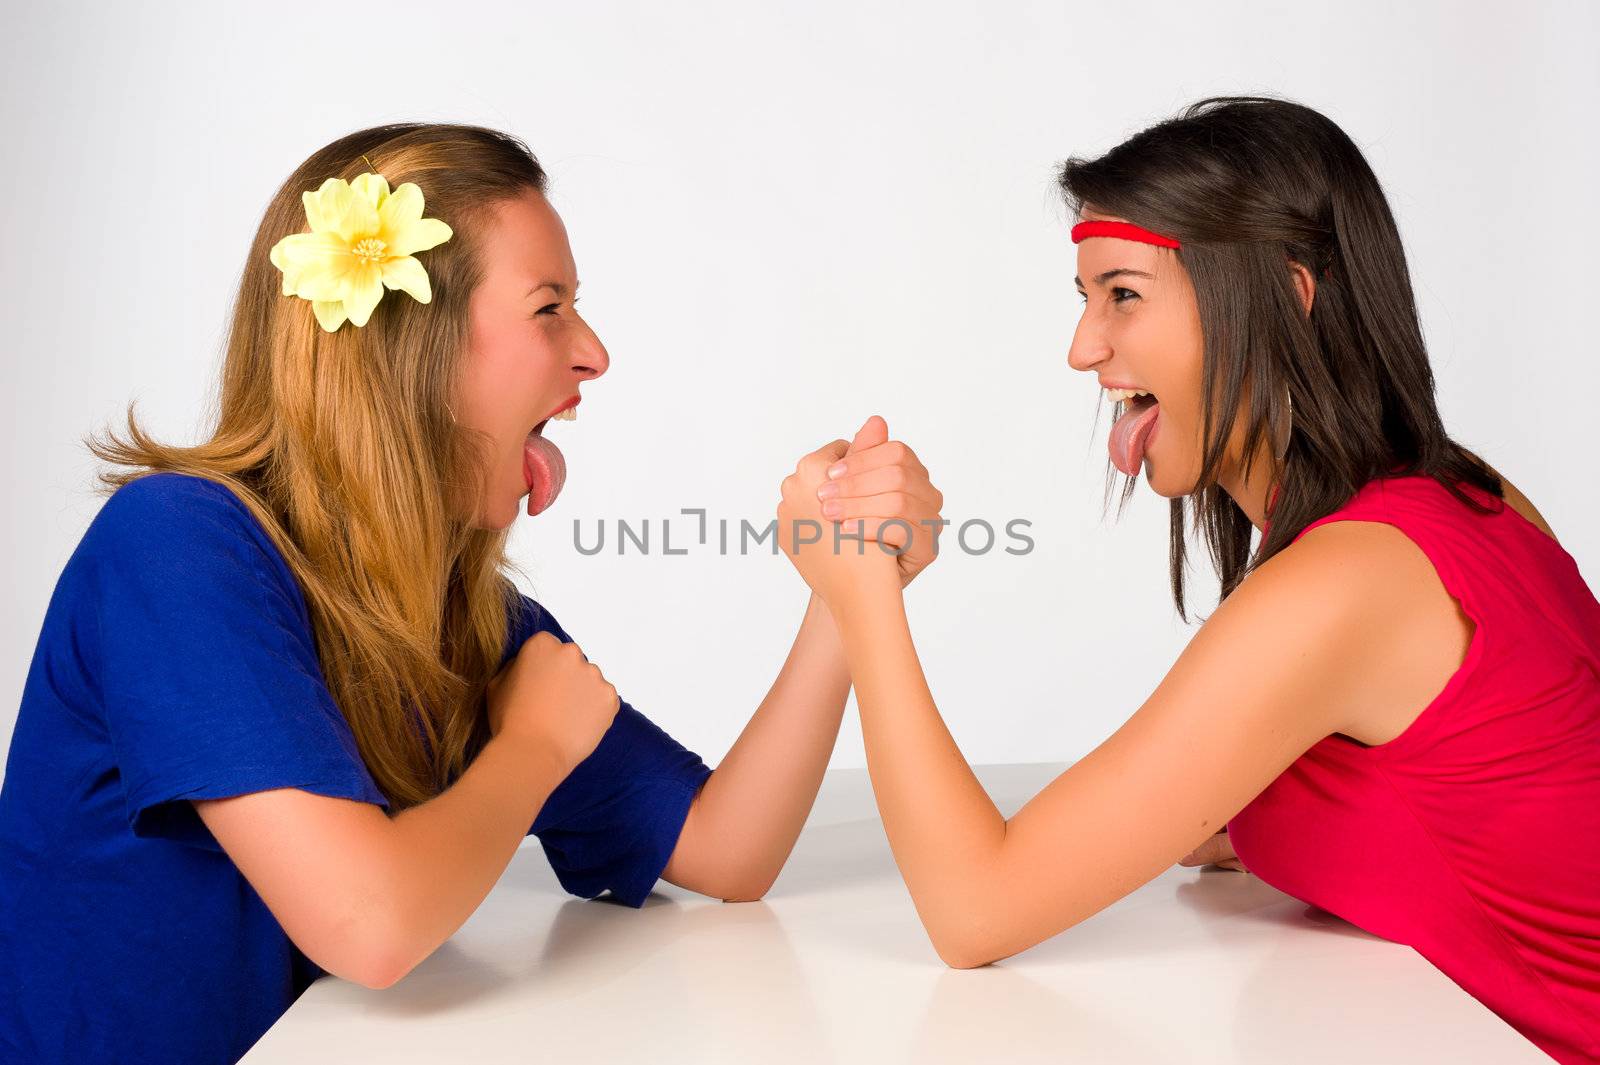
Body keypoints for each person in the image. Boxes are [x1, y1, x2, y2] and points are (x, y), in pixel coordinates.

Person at [0, 122, 942, 1065]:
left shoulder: (459, 616)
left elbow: (729, 849)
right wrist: (531, 747)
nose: (594, 353)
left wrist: (847, 585)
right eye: (550, 308)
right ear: (412, 347)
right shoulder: (175, 547)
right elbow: (369, 926)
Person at [775, 96, 1599, 1064]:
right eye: (1084, 300)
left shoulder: (1348, 581)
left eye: (1121, 295)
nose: (1083, 348)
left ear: (1285, 294)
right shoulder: (1466, 495)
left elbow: (974, 911)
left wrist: (861, 592)